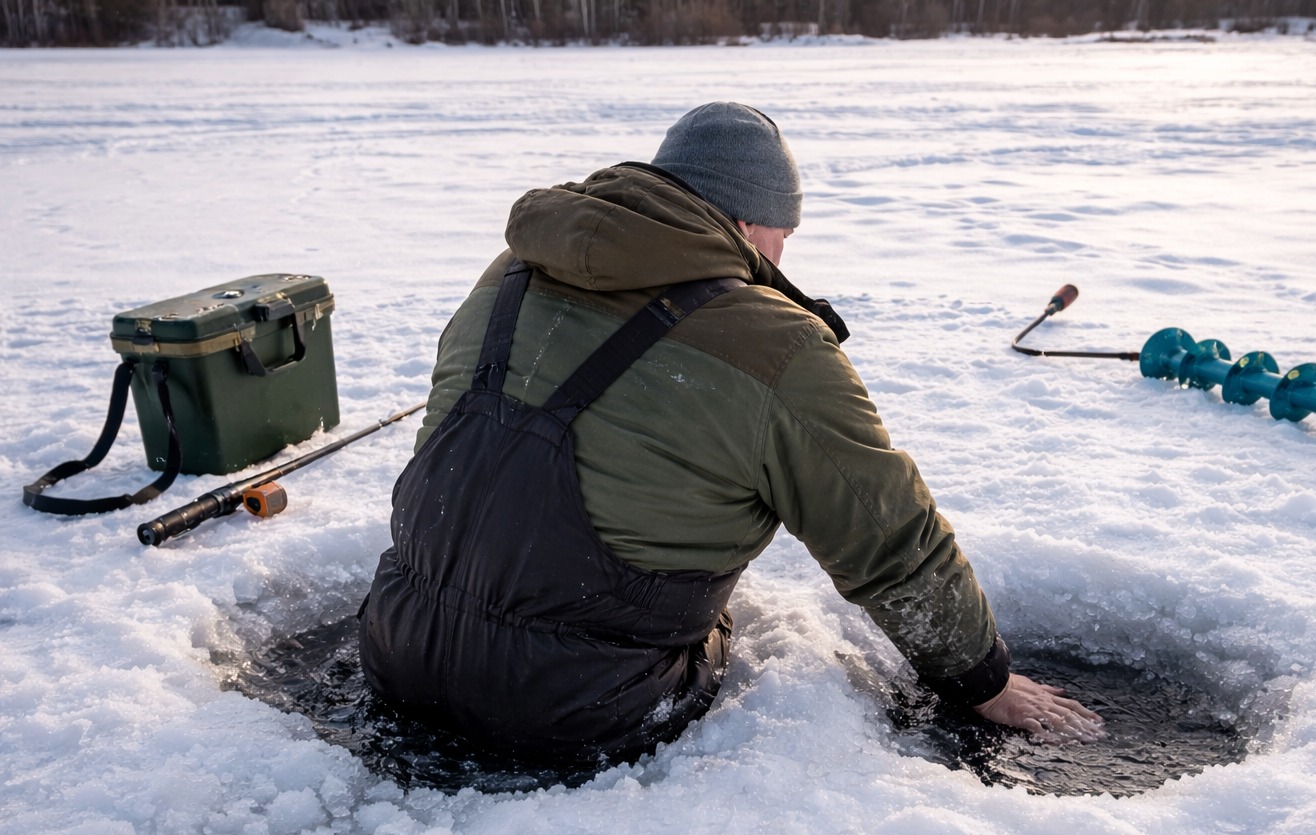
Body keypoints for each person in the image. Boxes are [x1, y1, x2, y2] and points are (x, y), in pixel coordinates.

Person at [359, 101, 1103, 767]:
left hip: (395, 648)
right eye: (782, 235)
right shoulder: (778, 345)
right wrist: (984, 682)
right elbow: (891, 542)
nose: (779, 258)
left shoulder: (509, 273)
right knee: (714, 615)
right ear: (746, 223)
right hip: (575, 709)